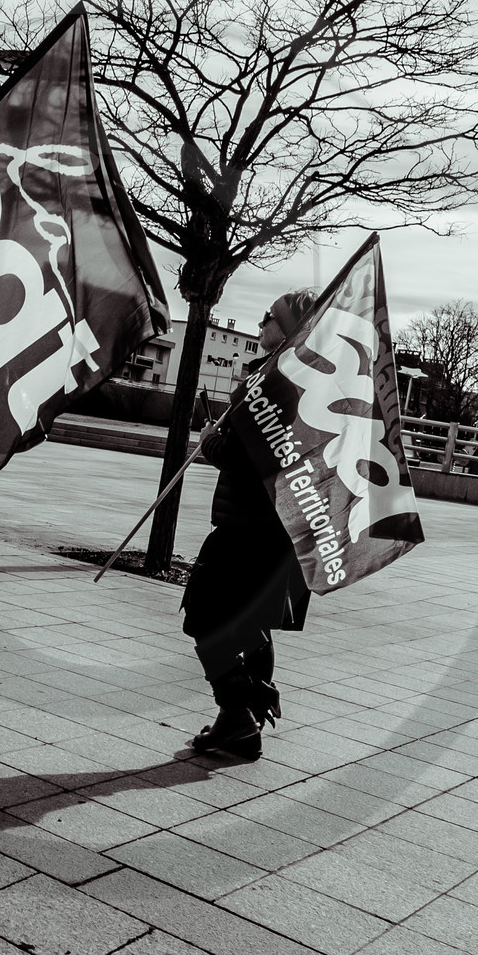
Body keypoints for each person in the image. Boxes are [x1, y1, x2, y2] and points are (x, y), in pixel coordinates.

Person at [179, 290, 316, 760]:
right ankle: (246, 717)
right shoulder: (304, 381)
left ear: (292, 329)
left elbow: (245, 458)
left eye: (270, 318)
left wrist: (211, 439)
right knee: (255, 625)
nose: (261, 324)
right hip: (276, 532)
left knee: (204, 618)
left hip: (248, 529)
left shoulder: (274, 385)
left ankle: (239, 711)